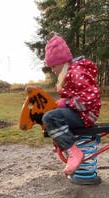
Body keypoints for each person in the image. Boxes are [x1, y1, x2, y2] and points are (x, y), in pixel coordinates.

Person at [42, 34, 101, 175]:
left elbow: (90, 98)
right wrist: (64, 103)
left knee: (50, 117)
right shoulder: (71, 73)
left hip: (86, 115)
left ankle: (74, 152)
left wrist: (67, 102)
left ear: (62, 62)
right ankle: (63, 142)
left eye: (53, 65)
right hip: (82, 113)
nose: (53, 70)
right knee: (52, 114)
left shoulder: (76, 72)